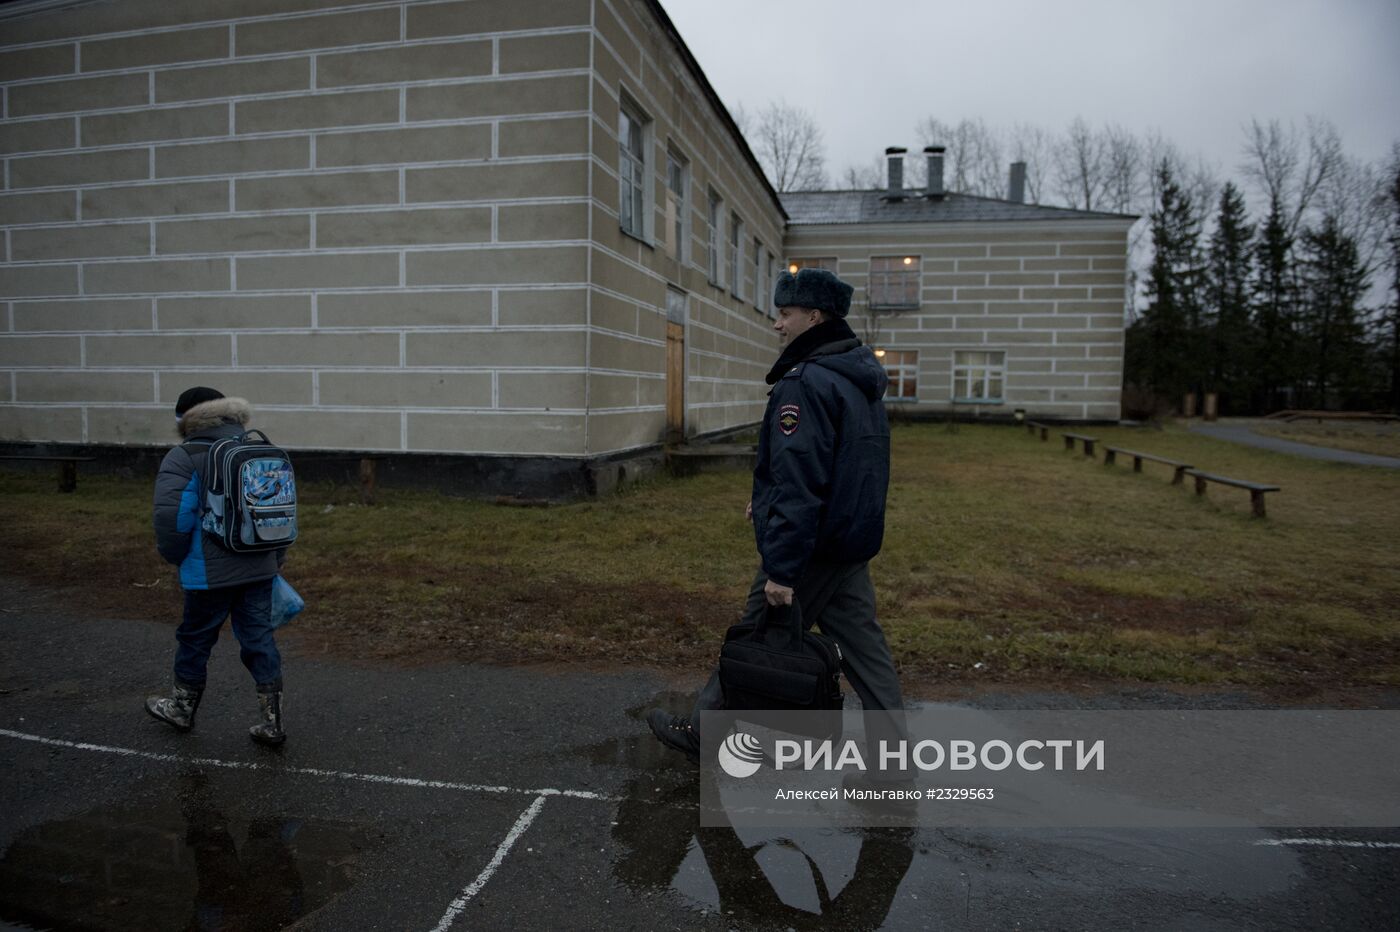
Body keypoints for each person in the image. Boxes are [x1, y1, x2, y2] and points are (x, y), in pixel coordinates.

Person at [647, 268, 905, 764]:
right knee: (869, 658)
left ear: (814, 316)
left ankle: (704, 734)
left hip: (808, 548)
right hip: (847, 543)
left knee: (756, 635)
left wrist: (784, 570)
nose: (777, 325)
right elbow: (845, 469)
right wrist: (764, 501)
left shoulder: (806, 383)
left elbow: (800, 479)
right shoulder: (857, 379)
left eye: (785, 314)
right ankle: (892, 760)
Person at [145, 387, 289, 746]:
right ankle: (272, 721)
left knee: (195, 638)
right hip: (259, 565)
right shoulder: (257, 450)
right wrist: (274, 559)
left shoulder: (184, 456)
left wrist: (175, 556)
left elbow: (172, 519)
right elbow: (280, 512)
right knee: (258, 638)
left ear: (185, 419)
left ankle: (181, 708)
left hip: (208, 571)